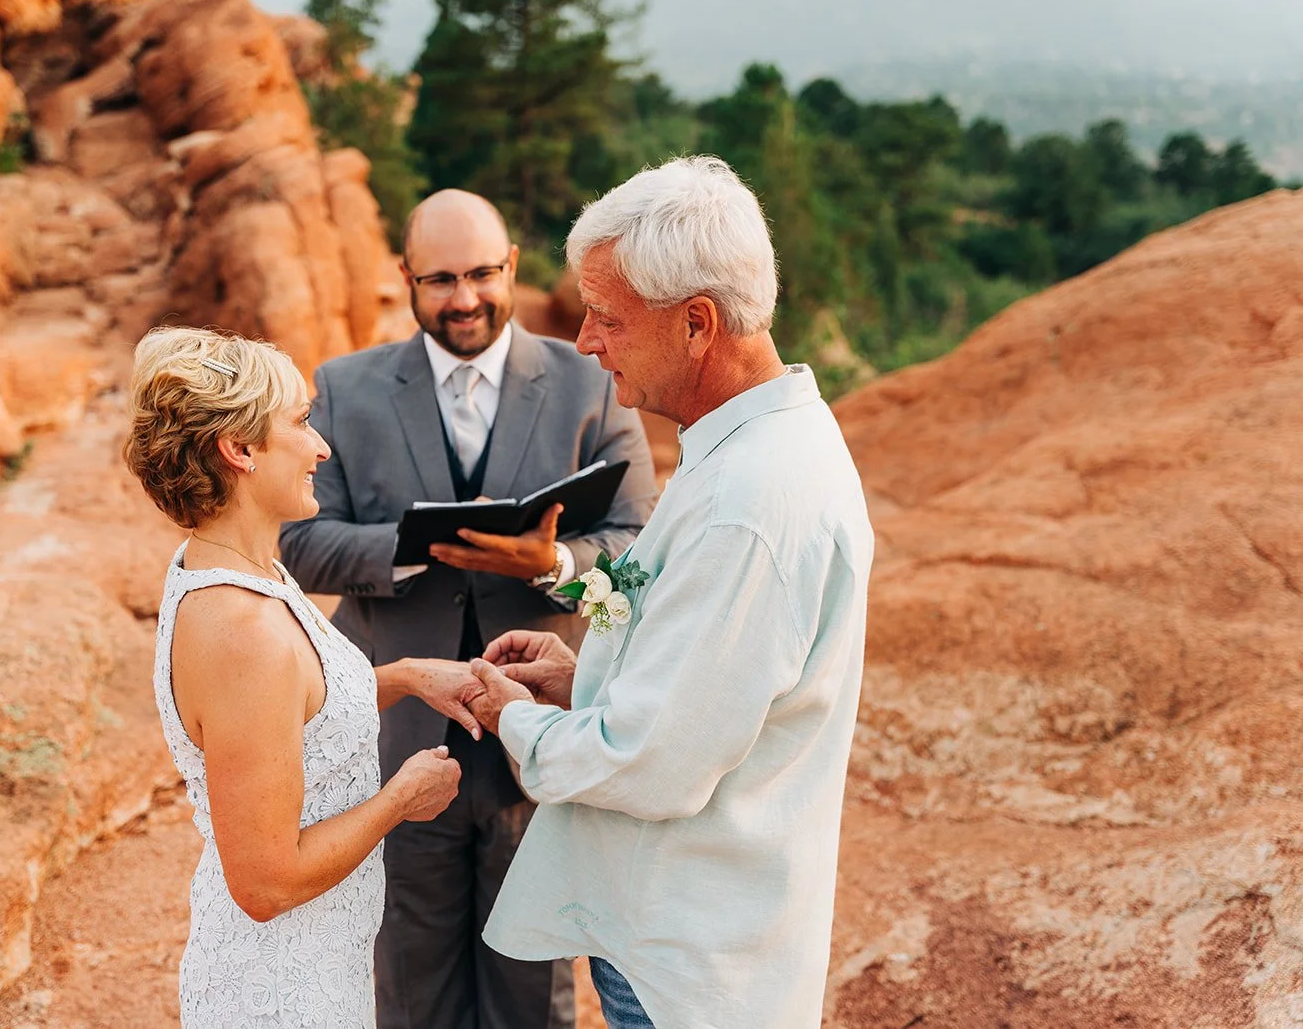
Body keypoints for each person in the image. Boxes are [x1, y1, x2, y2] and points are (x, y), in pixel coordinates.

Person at [464, 156, 875, 1029]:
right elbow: (719, 693)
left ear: (698, 323)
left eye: (607, 317)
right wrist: (585, 680)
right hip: (680, 937)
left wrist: (510, 714)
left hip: (690, 967)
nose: (584, 340)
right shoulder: (745, 448)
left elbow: (654, 761)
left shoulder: (750, 504)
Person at [279, 190, 658, 1029]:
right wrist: (415, 546)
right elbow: (298, 545)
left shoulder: (590, 382)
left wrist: (553, 562)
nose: (464, 298)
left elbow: (637, 540)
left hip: (544, 733)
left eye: (483, 274)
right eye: (441, 278)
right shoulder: (343, 389)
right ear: (406, 278)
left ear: (512, 268)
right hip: (398, 738)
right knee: (409, 979)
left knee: (534, 982)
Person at [124, 326, 490, 1029]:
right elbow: (266, 881)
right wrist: (400, 799)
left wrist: (407, 675)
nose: (321, 446)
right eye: (300, 421)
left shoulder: (245, 567)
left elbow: (291, 708)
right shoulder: (244, 632)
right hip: (279, 989)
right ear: (241, 449)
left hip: (318, 962)